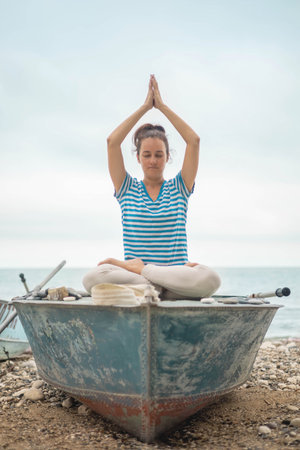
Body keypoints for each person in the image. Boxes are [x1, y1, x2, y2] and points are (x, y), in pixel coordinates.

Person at [83, 75, 221, 299]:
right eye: (147, 155)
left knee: (211, 278)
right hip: (140, 281)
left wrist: (162, 107)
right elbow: (112, 142)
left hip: (172, 277)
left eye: (159, 155)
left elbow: (193, 141)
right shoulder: (127, 188)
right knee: (92, 278)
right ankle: (156, 289)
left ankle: (153, 285)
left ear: (167, 157)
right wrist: (145, 107)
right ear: (138, 158)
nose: (153, 160)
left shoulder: (179, 188)